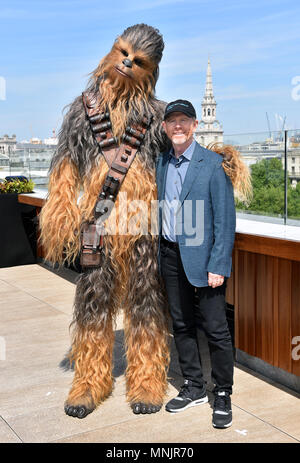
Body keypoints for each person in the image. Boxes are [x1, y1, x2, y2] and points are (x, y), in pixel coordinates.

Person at [156, 99, 236, 429]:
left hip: (205, 261)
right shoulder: (161, 163)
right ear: (165, 128)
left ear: (194, 125)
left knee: (216, 330)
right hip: (171, 256)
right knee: (182, 324)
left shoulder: (213, 164)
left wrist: (218, 264)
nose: (178, 126)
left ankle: (223, 392)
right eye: (172, 121)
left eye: (183, 120)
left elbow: (225, 220)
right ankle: (194, 387)